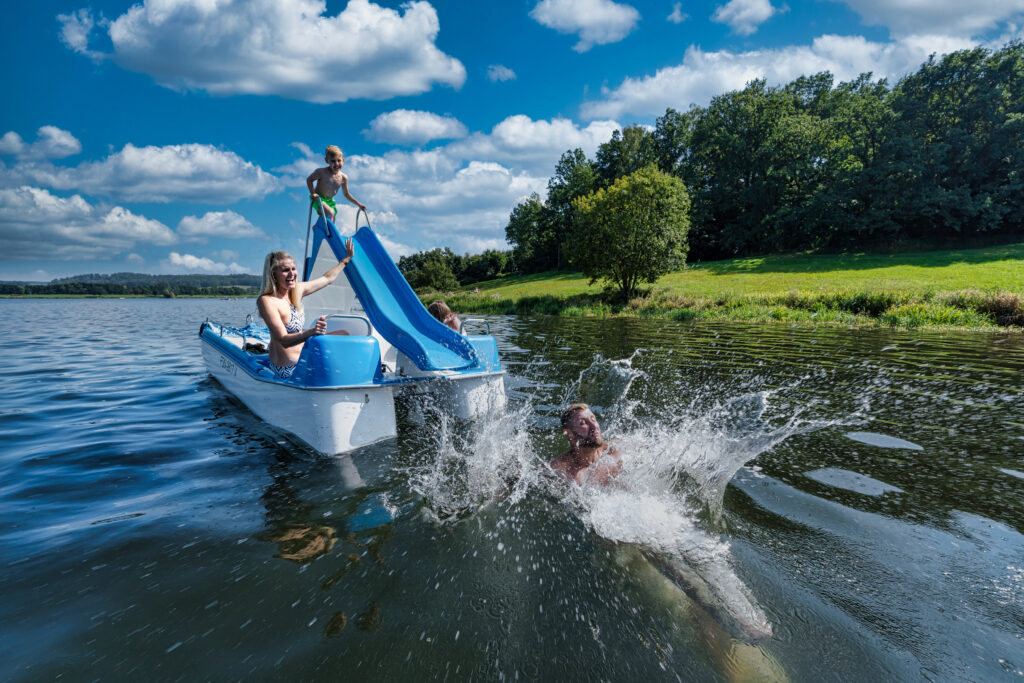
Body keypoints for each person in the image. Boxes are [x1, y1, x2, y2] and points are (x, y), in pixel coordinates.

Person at [256, 239, 355, 378]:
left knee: (345, 334)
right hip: (287, 368)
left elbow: (327, 279)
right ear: (273, 275)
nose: (292, 274)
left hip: (304, 356)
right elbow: (283, 340)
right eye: (285, 270)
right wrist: (312, 332)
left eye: (293, 269)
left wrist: (346, 259)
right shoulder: (267, 301)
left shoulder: (296, 290)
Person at [549, 403, 622, 485]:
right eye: (583, 423)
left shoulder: (616, 449)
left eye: (593, 419)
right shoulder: (559, 470)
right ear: (569, 433)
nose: (594, 426)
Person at [306, 145, 366, 221]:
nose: (336, 164)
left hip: (330, 201)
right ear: (327, 160)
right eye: (333, 161)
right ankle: (321, 229)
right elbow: (309, 180)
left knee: (331, 221)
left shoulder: (343, 178)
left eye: (339, 160)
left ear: (343, 160)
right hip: (318, 199)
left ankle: (317, 228)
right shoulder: (321, 172)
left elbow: (346, 194)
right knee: (330, 213)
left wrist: (359, 204)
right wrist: (313, 193)